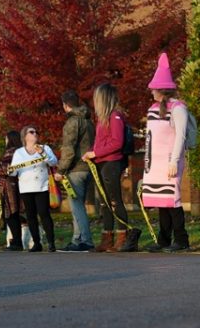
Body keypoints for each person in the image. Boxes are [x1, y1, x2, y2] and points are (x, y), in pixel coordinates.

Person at [142, 53, 192, 252]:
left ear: (161, 89)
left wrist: (174, 161)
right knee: (161, 201)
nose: (151, 91)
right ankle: (164, 239)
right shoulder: (152, 109)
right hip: (154, 164)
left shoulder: (178, 108)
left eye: (154, 88)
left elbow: (181, 136)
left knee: (173, 199)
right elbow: (149, 139)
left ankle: (181, 240)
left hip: (171, 161)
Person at [83, 83, 138, 252]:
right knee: (104, 203)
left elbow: (117, 142)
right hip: (101, 162)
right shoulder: (102, 119)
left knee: (115, 201)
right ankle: (107, 237)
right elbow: (103, 141)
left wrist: (95, 152)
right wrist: (92, 153)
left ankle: (122, 235)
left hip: (111, 163)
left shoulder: (115, 117)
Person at [11, 125, 59, 252]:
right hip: (26, 188)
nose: (35, 133)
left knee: (44, 213)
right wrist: (9, 171)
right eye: (31, 132)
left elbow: (54, 162)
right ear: (25, 136)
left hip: (42, 186)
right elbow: (13, 172)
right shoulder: (19, 152)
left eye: (36, 131)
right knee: (30, 216)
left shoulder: (45, 148)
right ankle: (37, 243)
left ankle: (51, 242)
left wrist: (42, 153)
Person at [58, 90, 96, 251]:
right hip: (89, 168)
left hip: (76, 169)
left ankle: (85, 241)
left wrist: (61, 169)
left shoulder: (72, 122)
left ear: (65, 105)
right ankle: (76, 239)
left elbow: (68, 149)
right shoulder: (89, 122)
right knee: (78, 205)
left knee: (77, 206)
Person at [0, 130, 25, 251]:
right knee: (16, 214)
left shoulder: (10, 153)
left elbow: (4, 169)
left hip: (9, 187)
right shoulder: (21, 152)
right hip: (19, 185)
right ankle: (17, 240)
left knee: (11, 214)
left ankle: (17, 241)